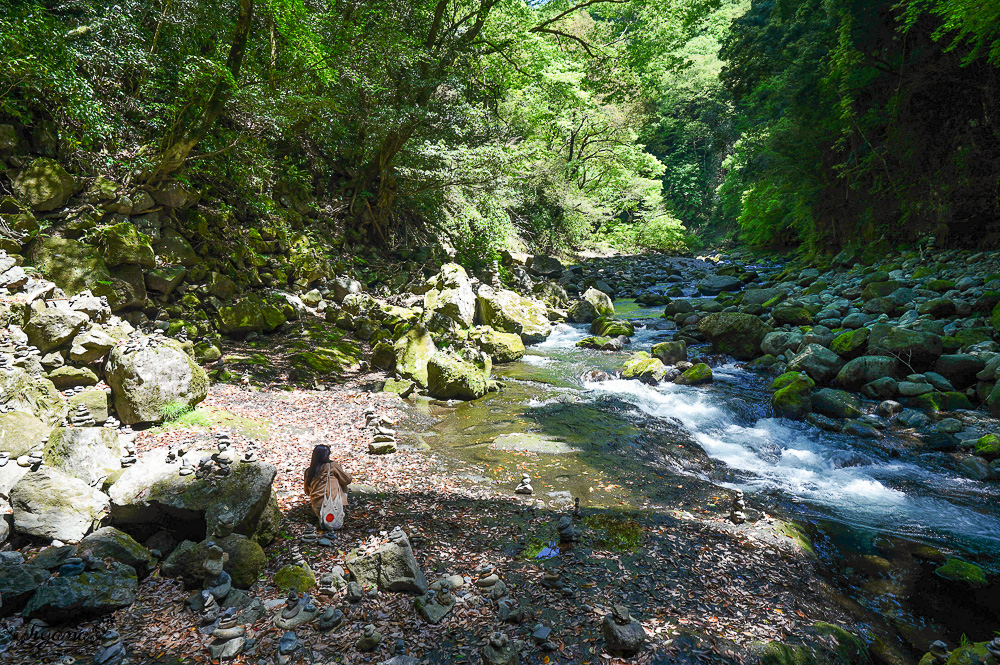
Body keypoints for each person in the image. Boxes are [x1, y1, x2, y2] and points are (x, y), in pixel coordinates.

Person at [304, 444, 352, 522]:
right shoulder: (332, 466)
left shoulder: (309, 471)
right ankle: (339, 512)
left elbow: (306, 491)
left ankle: (323, 518)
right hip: (332, 504)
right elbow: (347, 480)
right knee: (342, 484)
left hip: (317, 505)